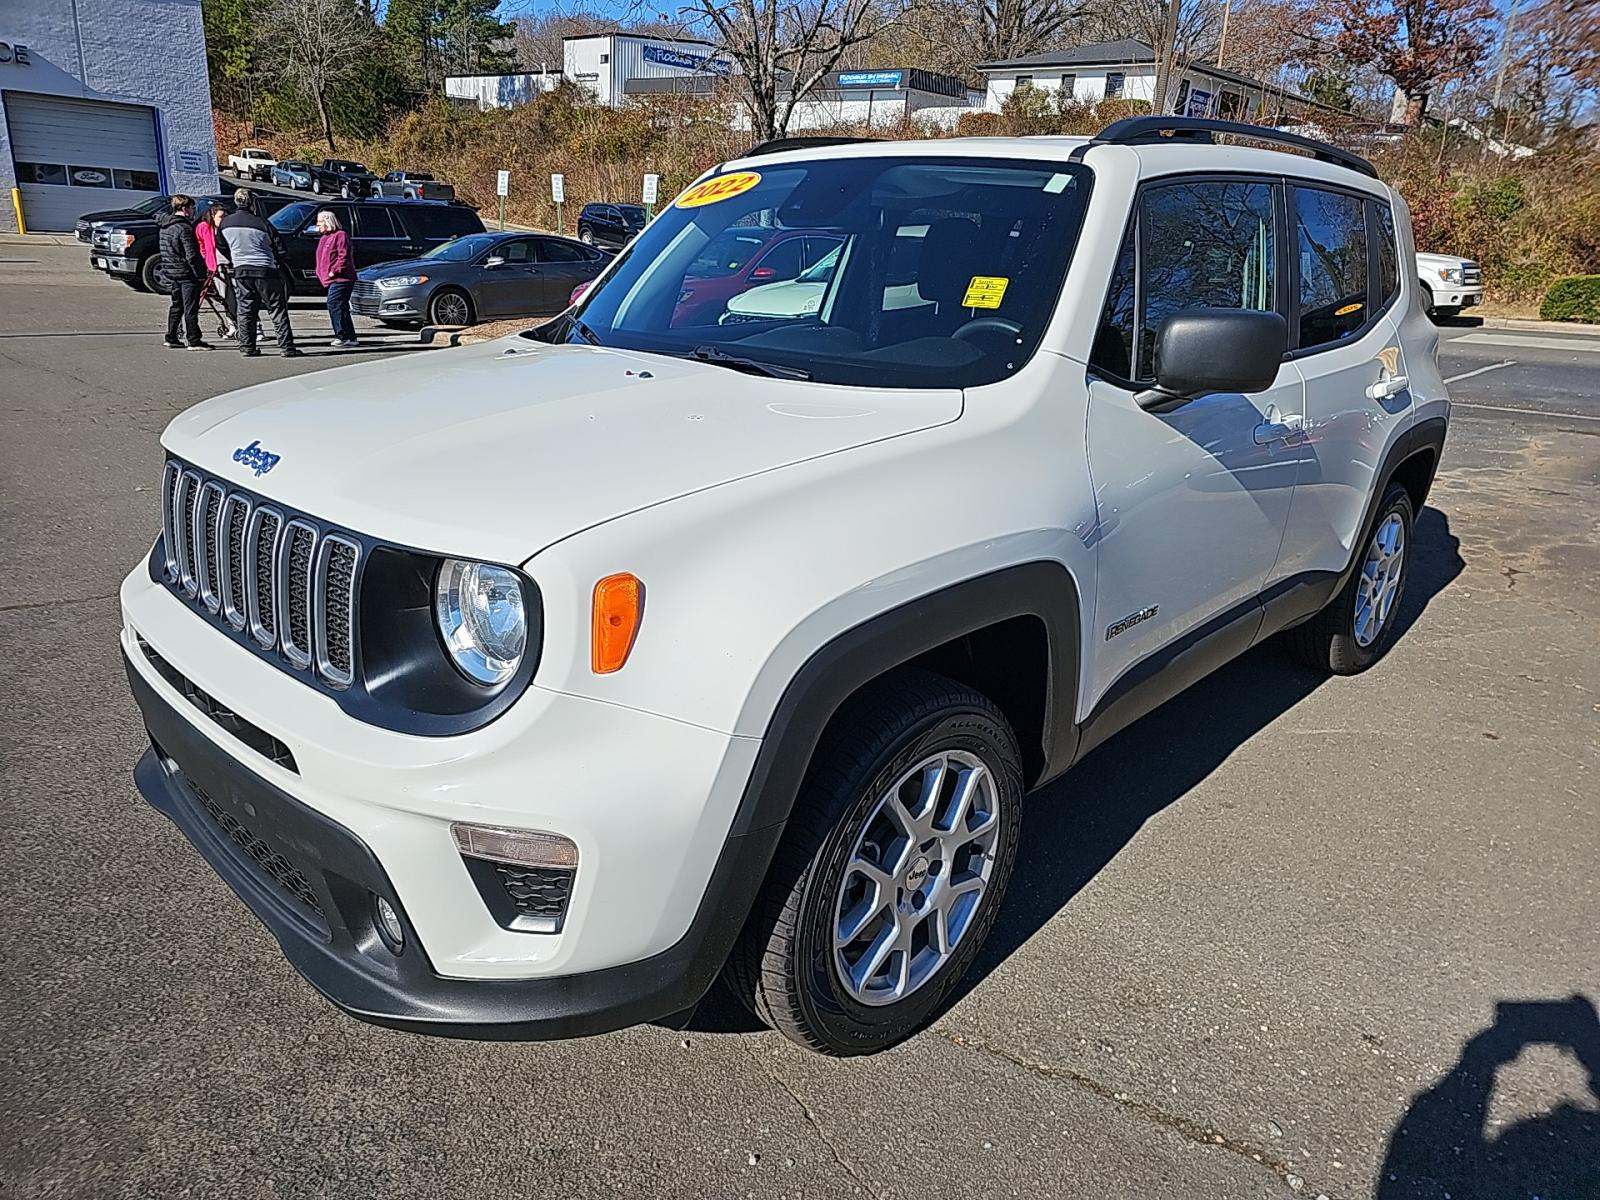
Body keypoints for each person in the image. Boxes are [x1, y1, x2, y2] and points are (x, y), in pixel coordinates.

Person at [216, 188, 301, 358]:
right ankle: (286, 347)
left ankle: (247, 346)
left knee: (245, 309)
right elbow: (280, 248)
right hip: (265, 269)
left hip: (241, 270)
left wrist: (235, 258)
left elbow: (221, 245)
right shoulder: (261, 223)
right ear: (252, 203)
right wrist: (277, 260)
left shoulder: (225, 223)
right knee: (276, 309)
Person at [156, 195, 210, 350]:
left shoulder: (165, 226)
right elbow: (191, 254)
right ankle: (194, 340)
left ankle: (171, 336)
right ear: (185, 209)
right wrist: (201, 273)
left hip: (171, 271)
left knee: (176, 305)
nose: (193, 211)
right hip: (186, 273)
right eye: (192, 208)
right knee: (190, 308)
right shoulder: (184, 228)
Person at [314, 209, 358, 348]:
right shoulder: (324, 238)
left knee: (334, 304)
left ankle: (342, 335)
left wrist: (334, 271)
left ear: (328, 221)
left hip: (342, 279)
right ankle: (351, 337)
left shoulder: (341, 235)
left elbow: (343, 256)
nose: (317, 225)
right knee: (341, 307)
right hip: (330, 279)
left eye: (320, 222)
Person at [195, 203, 236, 339]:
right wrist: (206, 257)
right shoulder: (203, 227)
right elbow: (201, 243)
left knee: (236, 297)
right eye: (220, 217)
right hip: (216, 266)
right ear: (212, 216)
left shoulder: (228, 228)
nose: (223, 219)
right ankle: (232, 325)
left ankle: (251, 326)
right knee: (224, 297)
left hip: (230, 265)